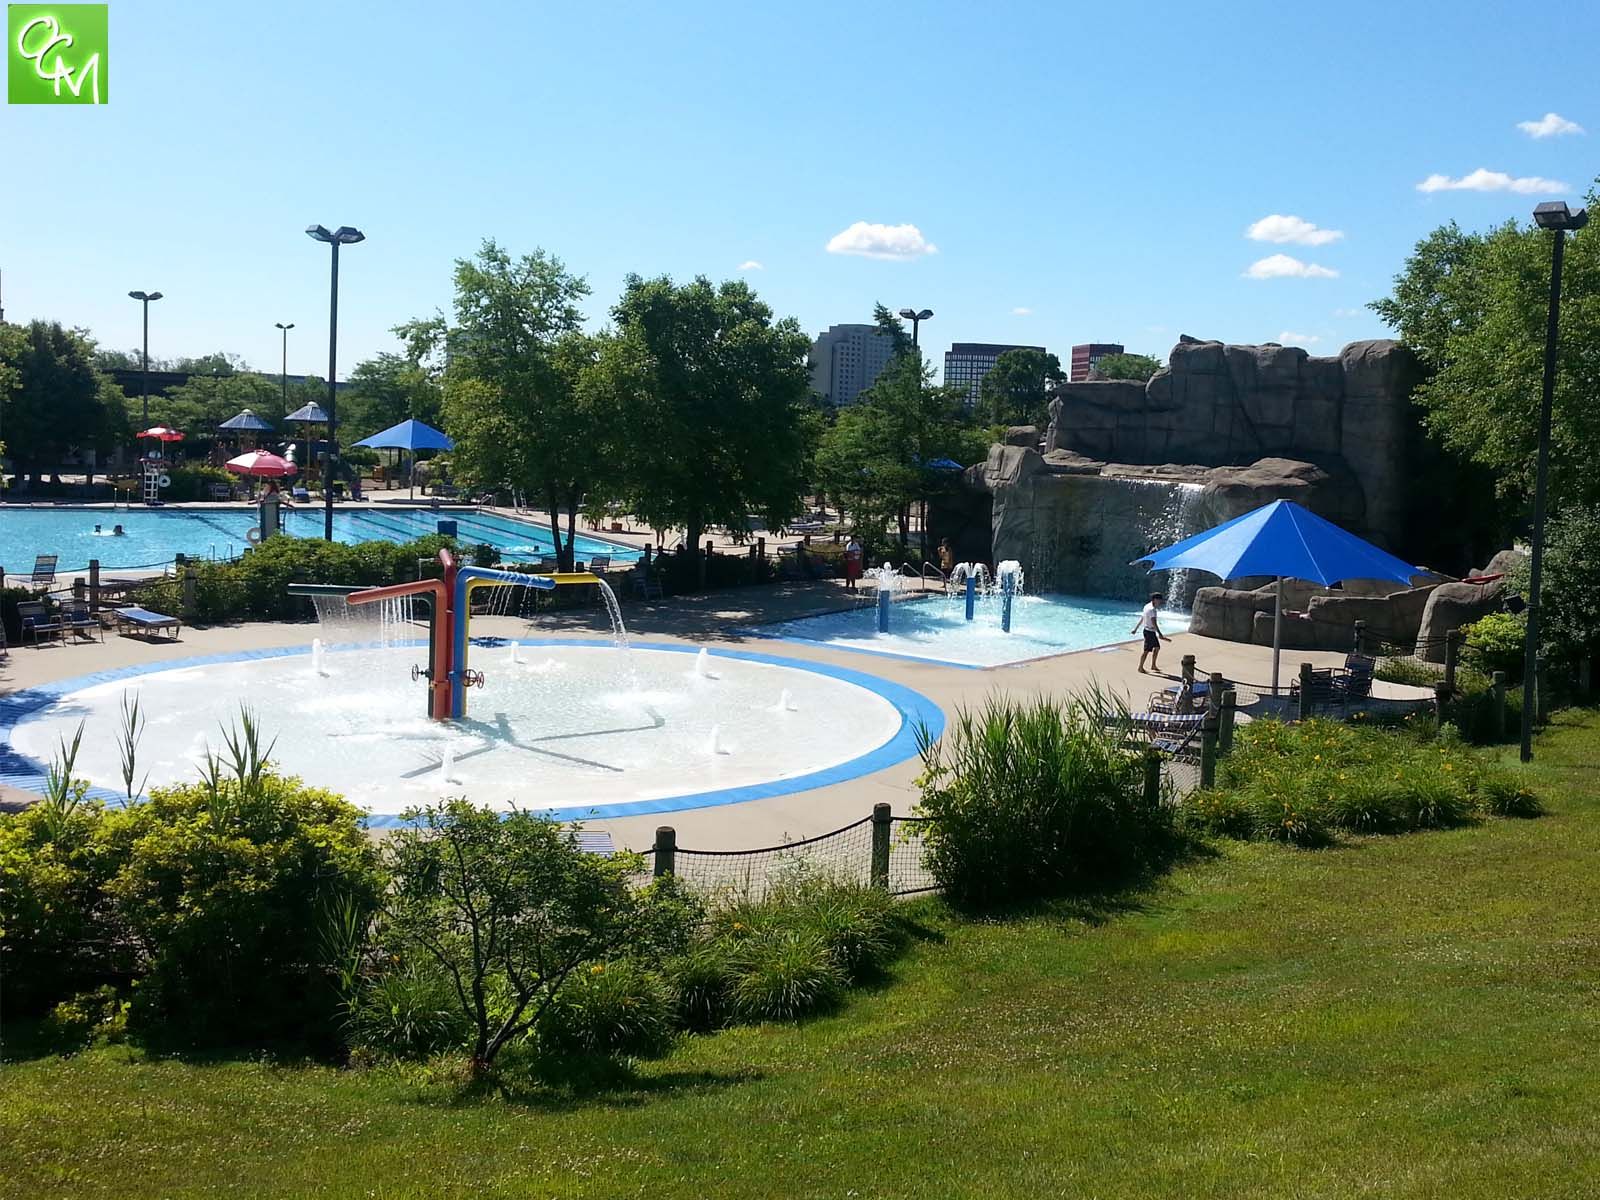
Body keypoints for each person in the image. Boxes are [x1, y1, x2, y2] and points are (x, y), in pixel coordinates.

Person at [1132, 591, 1171, 674]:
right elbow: (1154, 623)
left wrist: (1136, 629)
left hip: (1149, 631)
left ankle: (1153, 665)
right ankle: (1140, 667)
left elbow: (1143, 618)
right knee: (1146, 651)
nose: (1160, 601)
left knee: (1157, 648)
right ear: (1154, 599)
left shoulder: (1147, 606)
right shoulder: (1152, 610)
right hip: (1149, 632)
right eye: (1159, 600)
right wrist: (1160, 634)